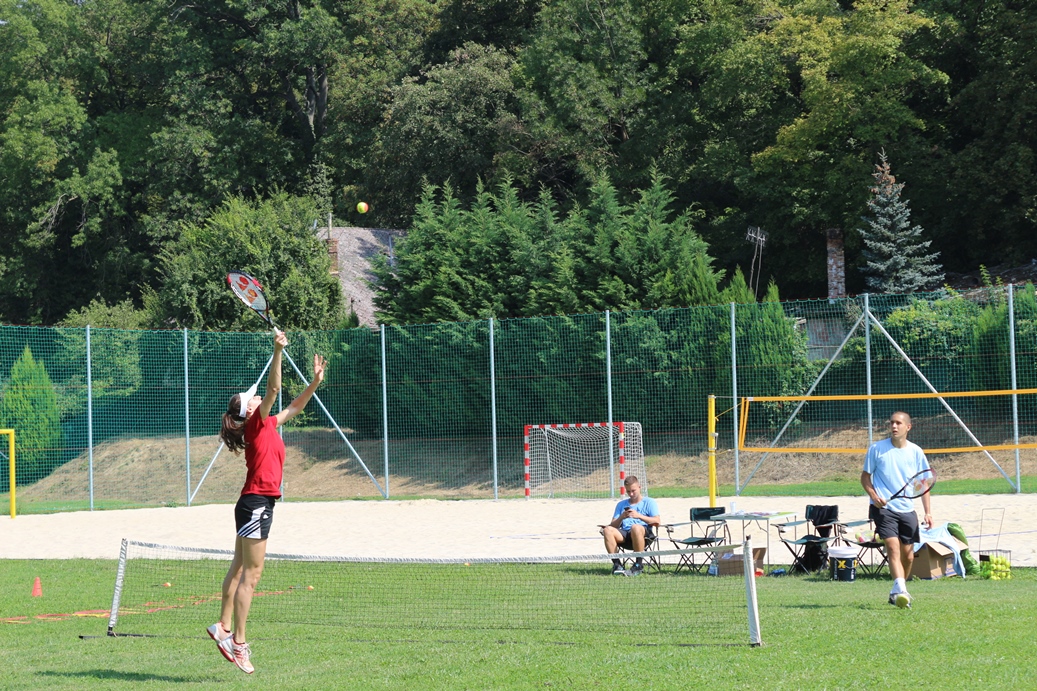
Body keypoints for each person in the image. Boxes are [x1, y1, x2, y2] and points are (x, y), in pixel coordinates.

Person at [207, 330, 326, 674]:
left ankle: (222, 627)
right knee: (252, 575)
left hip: (251, 502)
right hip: (257, 502)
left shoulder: (266, 424)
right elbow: (274, 390)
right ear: (249, 410)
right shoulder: (256, 423)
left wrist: (315, 382)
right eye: (251, 397)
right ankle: (238, 643)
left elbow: (294, 406)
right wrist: (277, 351)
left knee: (239, 568)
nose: (256, 394)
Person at [860, 411, 933, 609]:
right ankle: (902, 591)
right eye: (892, 422)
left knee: (908, 556)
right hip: (883, 508)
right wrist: (874, 496)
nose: (894, 426)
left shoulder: (916, 451)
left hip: (907, 509)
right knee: (892, 547)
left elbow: (923, 484)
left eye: (898, 423)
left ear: (908, 427)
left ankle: (897, 591)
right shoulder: (877, 449)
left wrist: (927, 512)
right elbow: (865, 477)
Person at [601, 476, 661, 576]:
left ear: (639, 487)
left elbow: (657, 521)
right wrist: (621, 517)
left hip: (644, 535)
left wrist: (639, 516)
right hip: (625, 535)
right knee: (607, 530)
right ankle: (617, 565)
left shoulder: (649, 502)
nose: (631, 494)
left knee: (635, 527)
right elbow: (613, 525)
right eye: (628, 491)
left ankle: (638, 565)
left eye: (633, 491)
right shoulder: (621, 504)